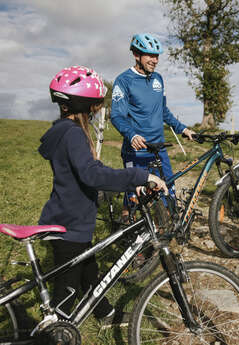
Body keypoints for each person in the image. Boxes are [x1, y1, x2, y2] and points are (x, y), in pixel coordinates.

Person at [39, 65, 168, 321]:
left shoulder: (64, 131)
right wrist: (139, 175)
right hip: (68, 227)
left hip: (71, 220)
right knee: (66, 294)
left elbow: (90, 170)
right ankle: (54, 333)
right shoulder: (74, 135)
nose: (98, 112)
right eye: (95, 107)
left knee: (90, 274)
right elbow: (93, 175)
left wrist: (130, 183)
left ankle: (105, 312)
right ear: (85, 106)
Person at [111, 33, 194, 221]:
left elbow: (163, 111)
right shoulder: (124, 80)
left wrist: (183, 129)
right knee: (135, 198)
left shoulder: (158, 79)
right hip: (136, 151)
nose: (155, 60)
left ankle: (165, 234)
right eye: (150, 55)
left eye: (157, 56)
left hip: (159, 149)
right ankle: (127, 231)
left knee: (167, 191)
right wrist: (131, 135)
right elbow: (116, 115)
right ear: (136, 55)